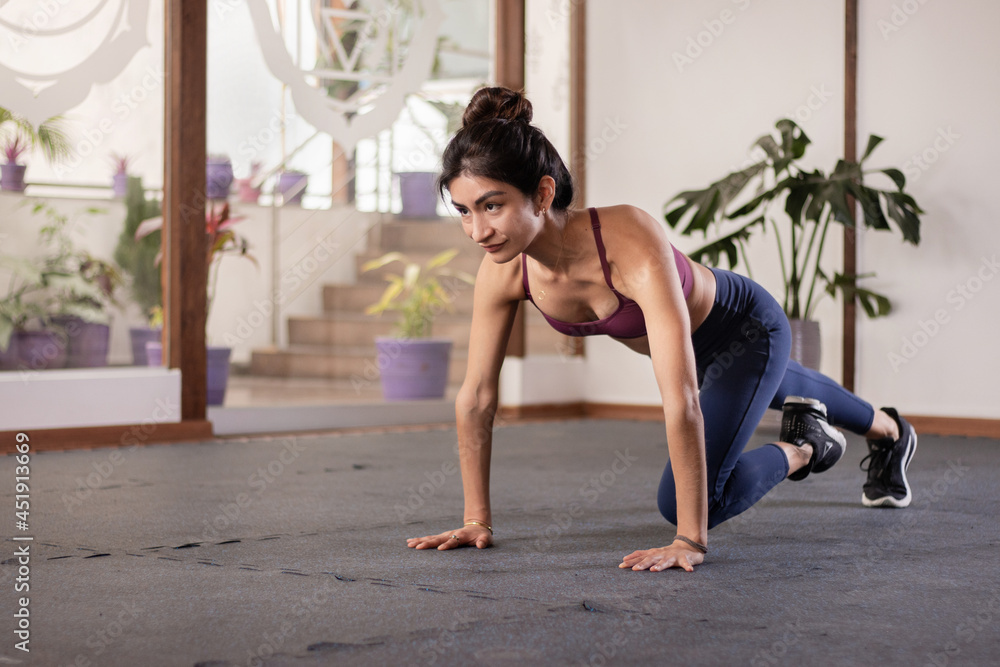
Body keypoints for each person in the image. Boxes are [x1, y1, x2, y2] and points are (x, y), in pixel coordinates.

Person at [405, 87, 917, 572]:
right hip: (698, 351)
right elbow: (475, 398)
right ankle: (892, 431)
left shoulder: (626, 238)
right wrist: (476, 519)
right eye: (464, 212)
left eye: (491, 206)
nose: (477, 231)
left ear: (542, 193)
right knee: (785, 383)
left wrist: (689, 539)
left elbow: (682, 398)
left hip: (748, 329)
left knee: (683, 502)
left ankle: (806, 446)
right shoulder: (504, 270)